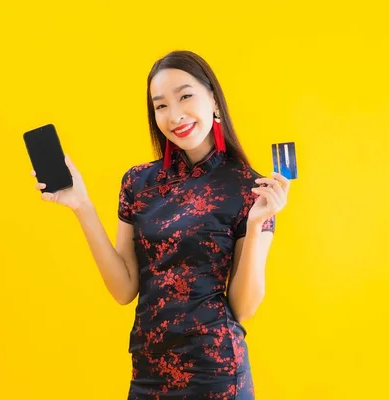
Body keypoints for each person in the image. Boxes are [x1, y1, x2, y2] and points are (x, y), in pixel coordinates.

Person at [30, 50, 290, 399]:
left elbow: (243, 308)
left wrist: (257, 224)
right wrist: (82, 206)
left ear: (213, 99)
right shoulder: (138, 183)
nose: (175, 115)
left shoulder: (250, 189)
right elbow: (124, 289)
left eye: (185, 96)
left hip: (216, 377)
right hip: (147, 375)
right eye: (161, 105)